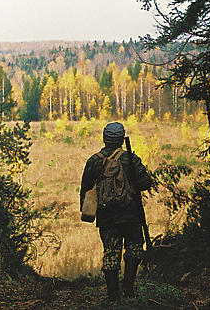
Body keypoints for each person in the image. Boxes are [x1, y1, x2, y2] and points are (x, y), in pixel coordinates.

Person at [80, 122, 152, 302]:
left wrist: (88, 210)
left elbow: (85, 188)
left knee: (111, 252)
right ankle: (128, 289)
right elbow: (145, 183)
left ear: (104, 138)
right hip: (131, 214)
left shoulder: (94, 161)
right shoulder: (131, 159)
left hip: (106, 217)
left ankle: (113, 295)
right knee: (134, 248)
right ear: (121, 139)